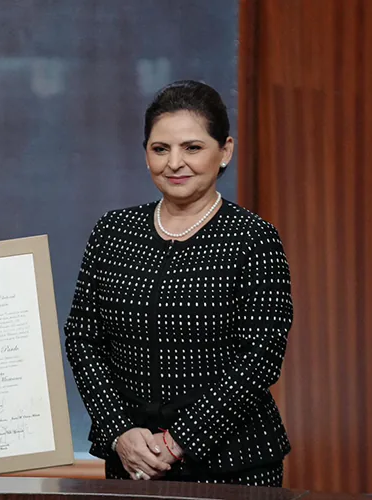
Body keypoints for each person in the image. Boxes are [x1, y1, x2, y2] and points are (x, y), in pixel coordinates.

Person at [64, 80, 293, 487]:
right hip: (131, 464)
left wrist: (178, 442)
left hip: (234, 467)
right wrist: (120, 433)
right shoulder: (113, 232)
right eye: (160, 149)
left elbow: (260, 357)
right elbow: (83, 340)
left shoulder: (254, 238)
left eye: (192, 147)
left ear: (225, 151)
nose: (174, 163)